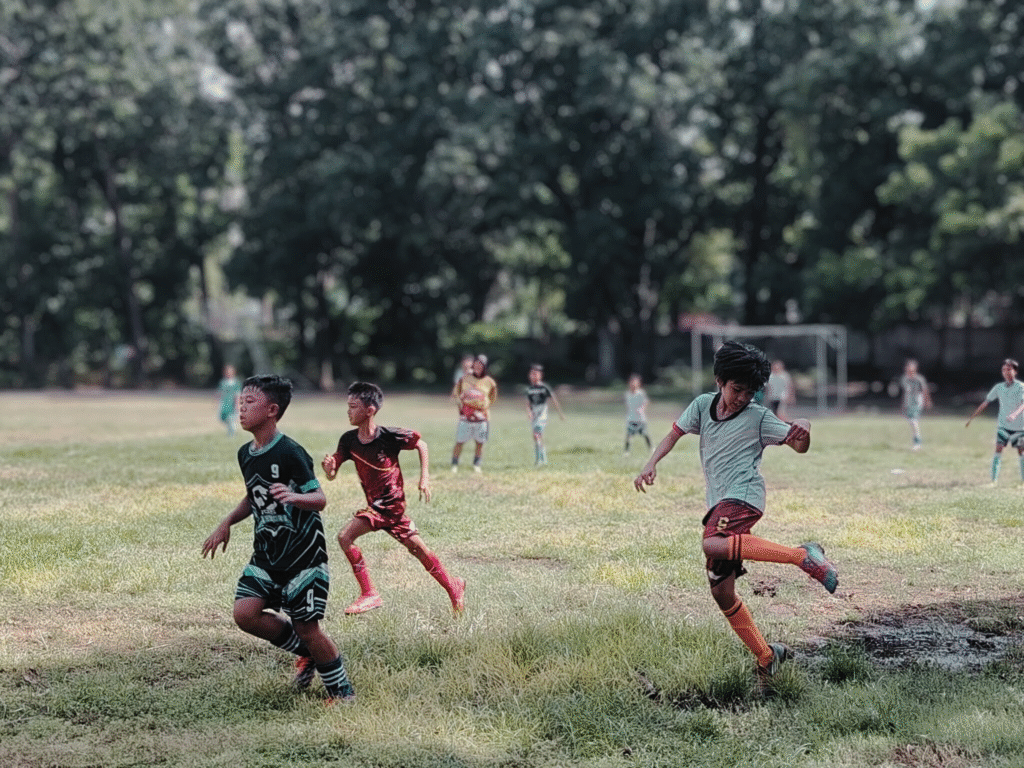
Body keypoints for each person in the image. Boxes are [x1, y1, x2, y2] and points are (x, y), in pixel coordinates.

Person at [633, 341, 837, 686]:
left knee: (713, 543)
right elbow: (674, 434)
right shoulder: (701, 406)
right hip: (719, 503)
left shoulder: (758, 417)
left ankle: (802, 556)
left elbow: (797, 444)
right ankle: (767, 655)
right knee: (721, 593)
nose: (742, 397)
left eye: (750, 392)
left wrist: (804, 428)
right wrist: (650, 463)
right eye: (736, 389)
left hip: (743, 497)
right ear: (719, 381)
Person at [202, 375, 354, 703]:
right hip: (267, 554)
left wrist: (294, 496)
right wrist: (227, 521)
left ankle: (341, 691)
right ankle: (310, 653)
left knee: (308, 629)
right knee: (245, 614)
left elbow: (319, 498)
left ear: (272, 410)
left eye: (249, 402)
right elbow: (253, 495)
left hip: (303, 556)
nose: (241, 408)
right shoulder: (246, 453)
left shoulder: (290, 451)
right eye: (240, 402)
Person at [323, 382, 466, 615]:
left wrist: (425, 478)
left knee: (344, 537)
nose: (348, 411)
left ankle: (370, 594)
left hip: (391, 505)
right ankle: (454, 585)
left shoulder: (389, 436)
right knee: (418, 550)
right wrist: (329, 469)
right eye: (347, 406)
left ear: (370, 410)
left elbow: (422, 444)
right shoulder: (348, 440)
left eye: (353, 406)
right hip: (378, 507)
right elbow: (332, 473)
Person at [965, 358, 1024, 484]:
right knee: (998, 448)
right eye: (1003, 370)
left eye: (1009, 369)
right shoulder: (999, 387)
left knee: (1021, 451)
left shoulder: (1020, 387)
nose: (1006, 372)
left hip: (1019, 426)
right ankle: (993, 480)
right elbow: (986, 402)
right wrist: (973, 416)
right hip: (1003, 425)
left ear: (1015, 371)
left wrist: (1014, 414)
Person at [450, 355, 498, 473]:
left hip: (482, 417)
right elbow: (456, 394)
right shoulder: (464, 379)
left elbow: (492, 398)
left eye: (480, 366)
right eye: (475, 365)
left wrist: (482, 406)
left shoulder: (490, 382)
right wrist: (463, 406)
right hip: (466, 417)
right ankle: (454, 464)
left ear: (485, 367)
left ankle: (477, 464)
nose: (477, 367)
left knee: (480, 442)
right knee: (460, 441)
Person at [525, 364, 565, 466]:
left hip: (542, 415)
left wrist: (560, 413)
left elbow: (554, 400)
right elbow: (528, 404)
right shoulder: (530, 389)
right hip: (534, 416)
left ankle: (539, 460)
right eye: (532, 374)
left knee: (537, 435)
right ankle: (543, 459)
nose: (533, 376)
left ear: (540, 375)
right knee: (537, 437)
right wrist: (529, 412)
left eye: (535, 374)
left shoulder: (544, 388)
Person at [898, 359, 932, 450]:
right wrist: (903, 405)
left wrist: (927, 401)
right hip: (909, 402)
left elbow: (925, 391)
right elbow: (905, 392)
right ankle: (916, 440)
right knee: (911, 421)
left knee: (913, 421)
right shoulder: (905, 379)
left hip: (917, 402)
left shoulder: (919, 379)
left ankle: (917, 442)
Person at [624, 374, 652, 455]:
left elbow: (646, 402)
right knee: (629, 435)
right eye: (631, 382)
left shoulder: (641, 393)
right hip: (631, 418)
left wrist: (642, 409)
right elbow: (627, 404)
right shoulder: (627, 394)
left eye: (635, 382)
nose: (633, 384)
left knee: (644, 434)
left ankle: (651, 448)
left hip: (640, 419)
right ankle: (626, 451)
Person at [217, 364, 242, 435]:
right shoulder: (222, 382)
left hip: (232, 403)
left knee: (231, 418)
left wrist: (237, 405)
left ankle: (232, 432)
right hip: (224, 403)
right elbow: (220, 392)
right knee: (222, 418)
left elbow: (237, 395)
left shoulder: (236, 383)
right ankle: (231, 427)